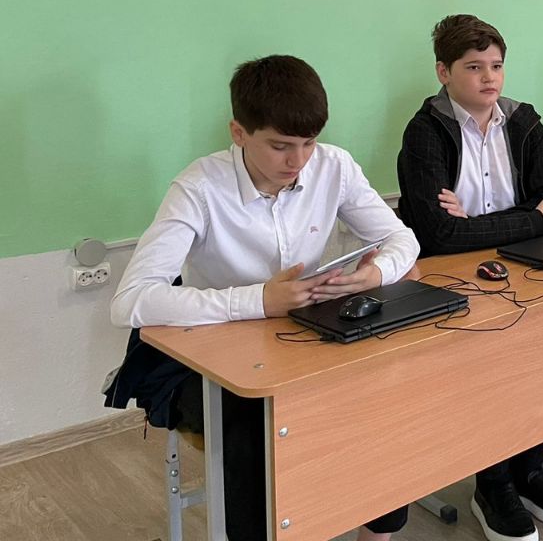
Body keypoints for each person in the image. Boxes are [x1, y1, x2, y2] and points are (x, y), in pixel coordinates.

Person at [111, 56, 420, 541]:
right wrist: (259, 300)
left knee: (386, 394)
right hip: (221, 357)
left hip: (310, 339)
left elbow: (402, 238)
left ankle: (376, 533)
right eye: (280, 146)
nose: (298, 162)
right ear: (239, 133)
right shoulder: (198, 188)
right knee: (255, 434)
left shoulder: (334, 165)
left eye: (308, 143)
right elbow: (130, 301)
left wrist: (374, 274)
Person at [397, 15, 543, 541]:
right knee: (498, 363)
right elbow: (438, 235)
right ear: (444, 72)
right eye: (474, 67)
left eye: (496, 66)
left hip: (526, 266)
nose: (489, 78)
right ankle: (493, 483)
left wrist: (478, 223)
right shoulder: (425, 131)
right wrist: (529, 219)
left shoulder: (523, 121)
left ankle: (530, 469)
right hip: (453, 283)